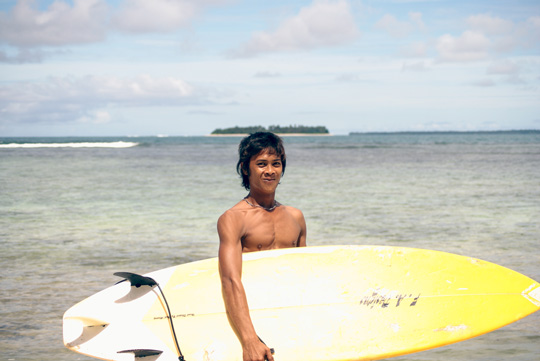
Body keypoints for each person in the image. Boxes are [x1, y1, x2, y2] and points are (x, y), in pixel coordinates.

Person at [217, 132, 307, 361]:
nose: (270, 171)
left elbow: (304, 275)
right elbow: (230, 280)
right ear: (245, 169)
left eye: (276, 164)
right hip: (252, 320)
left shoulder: (296, 217)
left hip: (289, 319)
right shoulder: (233, 218)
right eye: (261, 164)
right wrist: (249, 341)